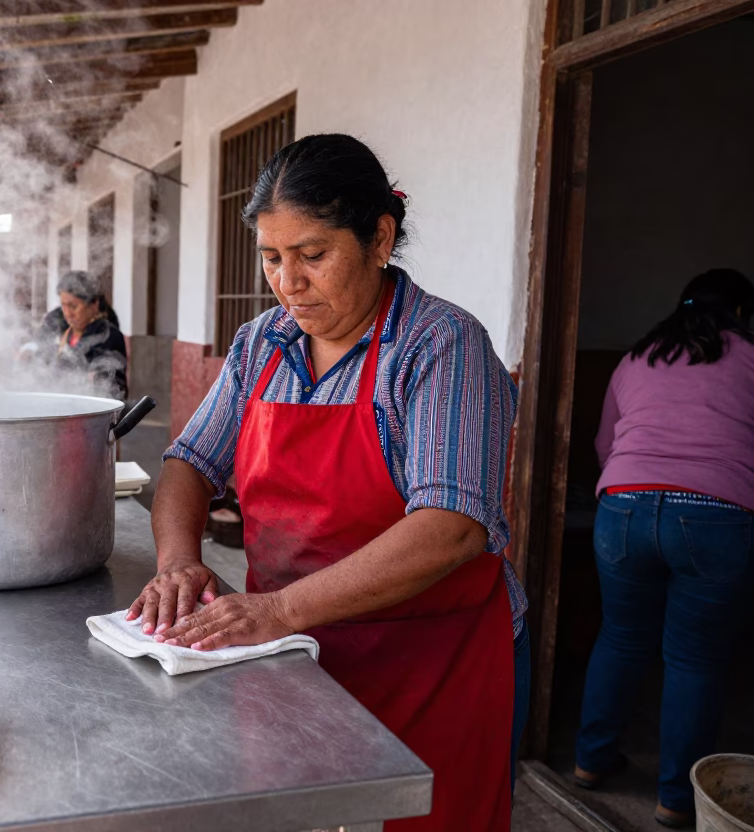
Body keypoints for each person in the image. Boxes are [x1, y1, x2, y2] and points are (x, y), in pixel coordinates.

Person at [127, 134, 524, 830]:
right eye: (272, 259)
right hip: (291, 662)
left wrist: (277, 612)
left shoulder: (440, 347)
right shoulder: (261, 344)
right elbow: (188, 463)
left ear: (379, 238)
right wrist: (179, 563)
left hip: (429, 666)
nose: (289, 282)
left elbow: (450, 530)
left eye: (313, 255)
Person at [573, 269, 754, 828]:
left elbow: (604, 444)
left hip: (622, 510)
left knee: (619, 636)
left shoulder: (638, 356)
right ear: (742, 312)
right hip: (719, 518)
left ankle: (589, 763)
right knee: (695, 657)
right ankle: (674, 799)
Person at [34, 270, 128, 400]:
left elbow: (113, 386)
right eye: (63, 305)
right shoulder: (64, 328)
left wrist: (95, 378)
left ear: (94, 304)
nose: (67, 313)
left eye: (73, 306)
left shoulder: (108, 335)